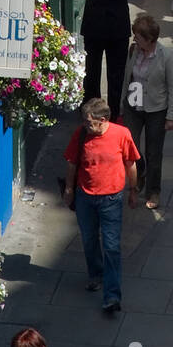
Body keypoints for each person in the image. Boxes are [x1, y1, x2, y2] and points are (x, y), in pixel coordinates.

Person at [63, 97, 139, 315]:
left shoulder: (121, 134)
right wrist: (69, 189)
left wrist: (133, 191)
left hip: (111, 199)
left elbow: (130, 164)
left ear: (103, 120)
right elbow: (72, 164)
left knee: (112, 246)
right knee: (88, 240)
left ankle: (112, 295)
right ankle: (96, 274)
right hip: (85, 197)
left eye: (89, 122)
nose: (85, 125)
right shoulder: (81, 135)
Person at [81, 0, 148, 121]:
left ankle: (91, 111)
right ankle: (115, 113)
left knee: (92, 70)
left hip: (93, 24)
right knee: (116, 72)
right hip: (117, 24)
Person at [120, 12, 173, 210]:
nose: (134, 39)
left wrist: (171, 116)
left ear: (150, 39)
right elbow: (127, 79)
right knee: (132, 149)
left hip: (156, 109)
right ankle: (141, 174)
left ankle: (154, 190)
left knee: (154, 152)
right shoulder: (133, 51)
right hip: (132, 106)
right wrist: (122, 105)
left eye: (138, 36)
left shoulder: (166, 56)